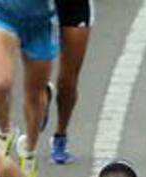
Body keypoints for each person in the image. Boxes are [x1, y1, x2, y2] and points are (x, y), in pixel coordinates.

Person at [0, 0, 59, 177]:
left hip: (40, 25)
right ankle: (5, 132)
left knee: (35, 94)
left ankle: (29, 151)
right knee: (1, 84)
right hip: (3, 16)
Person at [49, 0, 93, 165]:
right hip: (37, 7)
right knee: (37, 79)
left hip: (75, 7)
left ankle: (60, 134)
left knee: (68, 80)